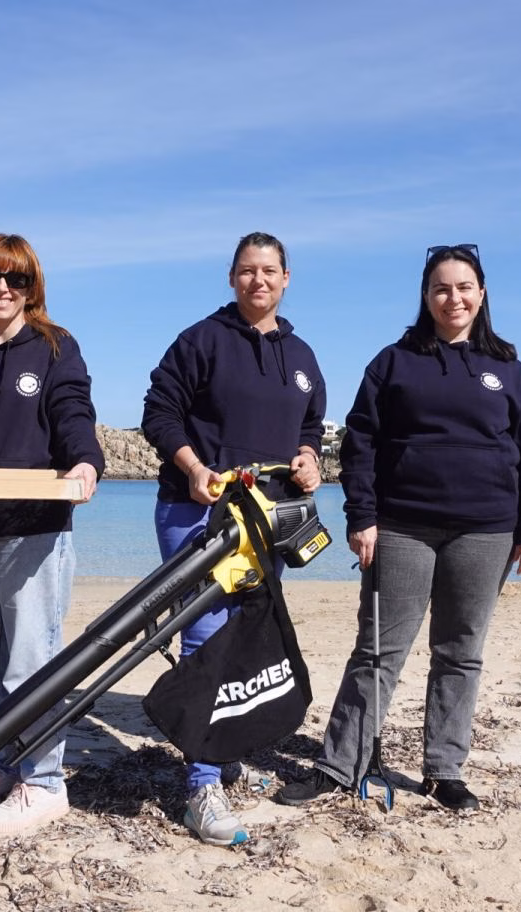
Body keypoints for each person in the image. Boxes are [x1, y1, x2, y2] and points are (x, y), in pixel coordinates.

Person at [273, 243, 521, 812]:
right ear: (426, 297)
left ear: (482, 294)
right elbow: (361, 445)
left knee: (460, 652)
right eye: (441, 288)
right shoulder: (394, 362)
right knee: (378, 651)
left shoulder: (509, 370)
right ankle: (338, 765)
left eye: (464, 287)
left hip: (486, 531)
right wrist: (363, 517)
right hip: (401, 527)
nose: (454, 297)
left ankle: (443, 771)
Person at [141, 232, 325, 846]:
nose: (259, 281)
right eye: (247, 271)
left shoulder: (300, 356)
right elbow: (158, 412)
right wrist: (194, 468)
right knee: (204, 635)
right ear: (231, 277)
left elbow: (308, 430)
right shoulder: (202, 340)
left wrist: (309, 460)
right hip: (198, 511)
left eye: (269, 271)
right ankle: (200, 785)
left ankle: (224, 753)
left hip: (267, 518)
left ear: (287, 277)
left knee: (249, 634)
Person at [0, 234, 103, 836]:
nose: (3, 289)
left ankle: (46, 780)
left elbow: (73, 412)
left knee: (31, 659)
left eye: (17, 278)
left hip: (34, 527)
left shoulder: (55, 349)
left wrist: (85, 462)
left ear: (34, 286)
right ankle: (2, 766)